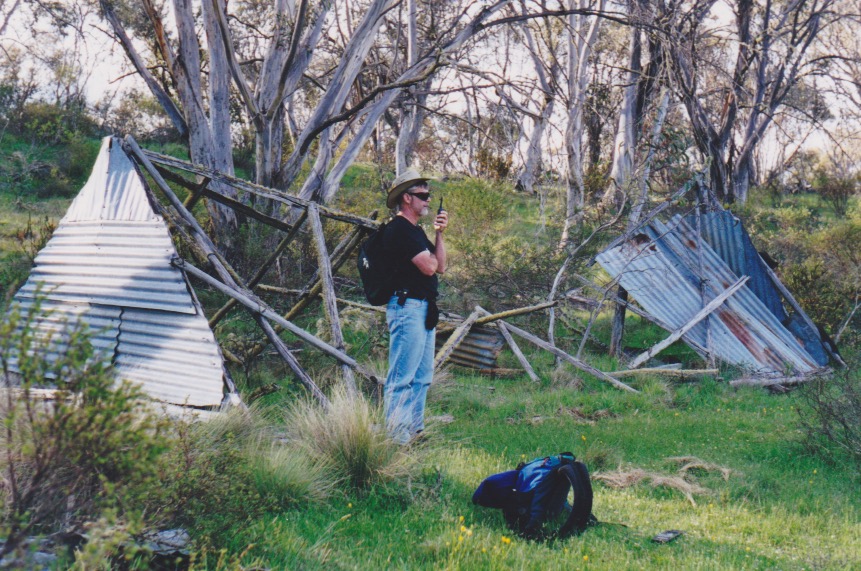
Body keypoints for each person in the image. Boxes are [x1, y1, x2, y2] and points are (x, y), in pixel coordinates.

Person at [381, 168, 449, 444]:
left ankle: (414, 432)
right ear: (406, 198)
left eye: (428, 195)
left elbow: (441, 266)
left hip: (422, 309)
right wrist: (433, 256)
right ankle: (396, 440)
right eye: (422, 195)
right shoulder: (399, 229)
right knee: (401, 378)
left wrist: (440, 234)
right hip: (406, 307)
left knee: (422, 377)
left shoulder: (416, 232)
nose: (428, 200)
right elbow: (430, 267)